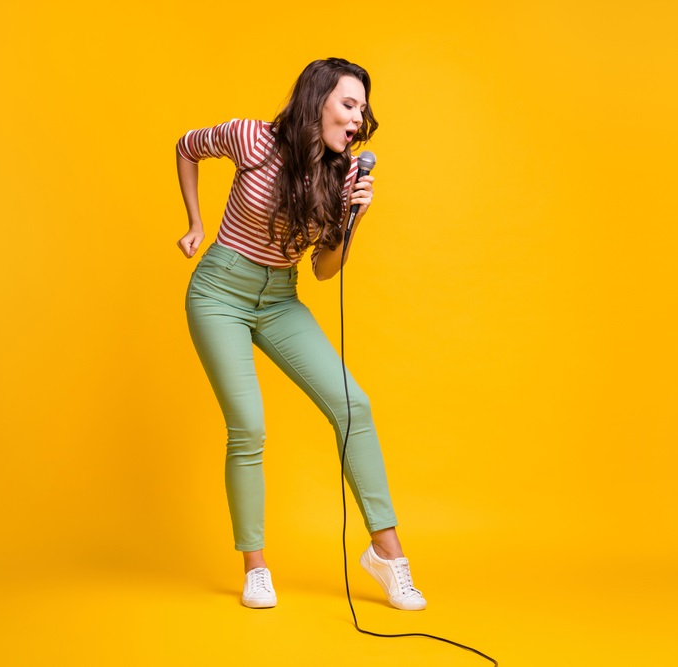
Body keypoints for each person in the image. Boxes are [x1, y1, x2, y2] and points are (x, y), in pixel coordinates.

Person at [176, 57, 426, 611]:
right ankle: (256, 567)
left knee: (353, 406)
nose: (358, 119)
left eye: (362, 109)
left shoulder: (341, 178)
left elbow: (322, 270)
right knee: (248, 426)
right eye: (348, 104)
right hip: (220, 292)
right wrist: (195, 223)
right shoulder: (251, 138)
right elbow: (186, 145)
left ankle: (388, 555)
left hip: (281, 299)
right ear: (317, 100)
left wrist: (354, 217)